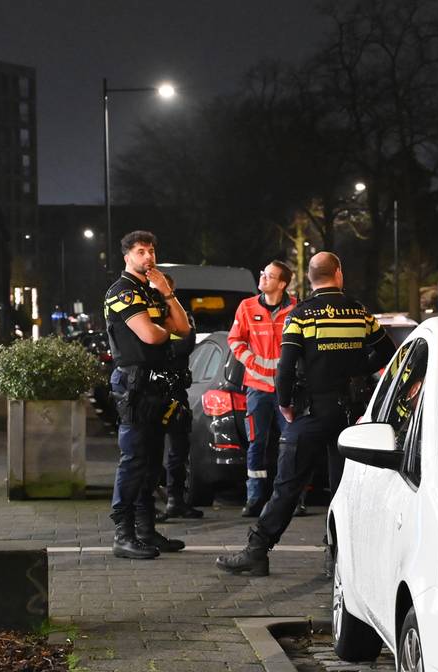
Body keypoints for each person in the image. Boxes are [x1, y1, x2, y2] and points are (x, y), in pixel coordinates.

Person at [215, 252, 396, 577]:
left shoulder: (300, 315)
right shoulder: (359, 313)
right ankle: (338, 558)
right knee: (344, 489)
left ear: (311, 278)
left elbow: (285, 367)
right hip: (350, 416)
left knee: (287, 485)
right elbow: (387, 353)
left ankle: (257, 552)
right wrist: (357, 371)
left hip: (311, 412)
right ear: (338, 274)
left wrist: (285, 402)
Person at [103, 230, 192, 560]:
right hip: (134, 385)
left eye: (151, 250)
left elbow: (183, 328)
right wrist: (166, 329)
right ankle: (123, 534)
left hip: (157, 385)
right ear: (127, 256)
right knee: (134, 460)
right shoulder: (123, 292)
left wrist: (167, 294)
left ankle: (146, 530)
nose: (148, 257)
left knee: (153, 461)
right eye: (141, 251)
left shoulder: (152, 292)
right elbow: (151, 335)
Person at [228, 261, 298, 517]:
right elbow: (235, 339)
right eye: (262, 274)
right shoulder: (247, 307)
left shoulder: (295, 308)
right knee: (256, 443)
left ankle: (291, 499)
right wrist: (250, 360)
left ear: (282, 284)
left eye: (269, 276)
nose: (263, 278)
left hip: (286, 391)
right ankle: (255, 498)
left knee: (290, 445)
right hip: (257, 388)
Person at [153, 273, 204, 521]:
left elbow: (184, 342)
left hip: (174, 391)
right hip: (151, 390)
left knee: (179, 447)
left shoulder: (180, 315)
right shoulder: (144, 313)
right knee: (149, 448)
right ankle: (148, 502)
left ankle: (175, 500)